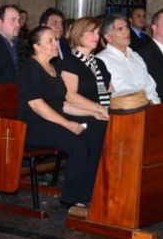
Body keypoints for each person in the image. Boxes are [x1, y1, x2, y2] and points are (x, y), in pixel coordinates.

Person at [18, 26, 107, 212]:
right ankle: (71, 197)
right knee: (78, 143)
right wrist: (67, 124)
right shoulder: (30, 68)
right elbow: (37, 105)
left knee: (96, 129)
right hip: (35, 124)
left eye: (55, 40)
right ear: (36, 46)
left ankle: (88, 192)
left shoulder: (54, 68)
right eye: (49, 41)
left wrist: (91, 113)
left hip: (54, 119)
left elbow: (63, 104)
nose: (55, 44)